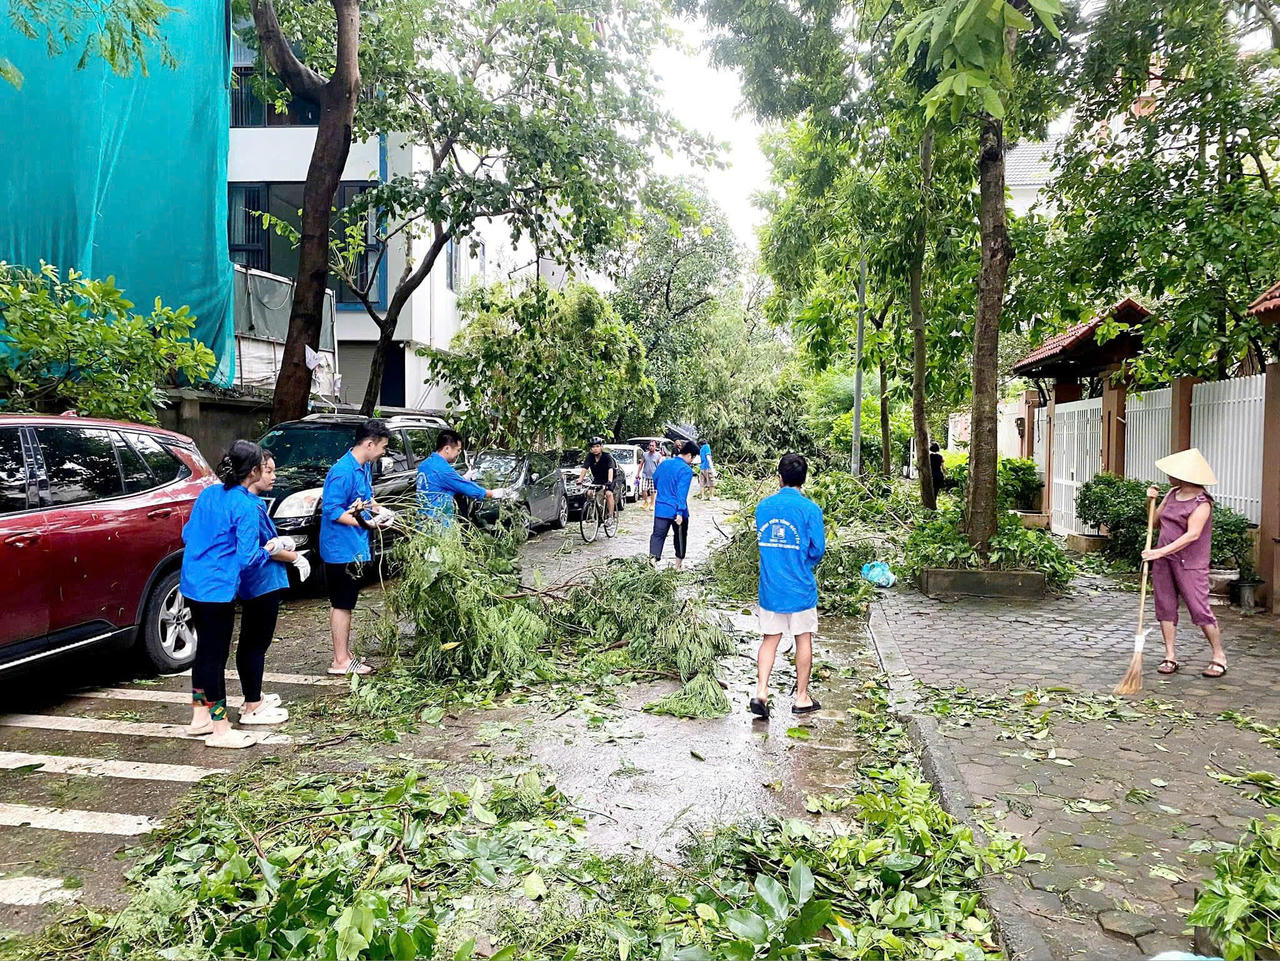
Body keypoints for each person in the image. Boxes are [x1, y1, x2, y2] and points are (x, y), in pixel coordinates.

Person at [180, 440, 281, 749]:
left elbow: (187, 533)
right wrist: (271, 549)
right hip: (217, 589)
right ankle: (220, 728)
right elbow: (248, 558)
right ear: (253, 471)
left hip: (192, 582)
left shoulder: (208, 493)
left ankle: (200, 716)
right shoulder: (246, 506)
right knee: (215, 658)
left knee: (204, 653)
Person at [236, 448, 310, 726]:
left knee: (252, 641)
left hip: (258, 581)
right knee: (256, 642)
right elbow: (262, 548)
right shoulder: (248, 507)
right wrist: (292, 555)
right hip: (262, 581)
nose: (273, 476)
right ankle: (252, 704)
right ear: (253, 471)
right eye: (268, 471)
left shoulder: (250, 502)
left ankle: (252, 695)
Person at [750, 452, 826, 721]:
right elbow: (818, 550)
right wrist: (803, 561)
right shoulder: (810, 510)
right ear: (803, 480)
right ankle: (801, 698)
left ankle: (761, 692)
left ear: (779, 478)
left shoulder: (763, 507)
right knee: (803, 638)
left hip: (770, 588)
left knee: (769, 639)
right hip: (800, 588)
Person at [1142, 448, 1227, 679]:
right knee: (1165, 606)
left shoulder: (1202, 502)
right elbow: (1154, 522)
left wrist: (1159, 552)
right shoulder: (1171, 494)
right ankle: (1170, 655)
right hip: (1164, 561)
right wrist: (1150, 501)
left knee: (1199, 608)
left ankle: (1218, 655)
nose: (1169, 475)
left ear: (1186, 475)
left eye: (1173, 472)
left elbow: (1192, 535)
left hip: (1190, 563)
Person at [320, 419, 395, 676]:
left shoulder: (363, 468)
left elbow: (365, 499)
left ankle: (344, 653)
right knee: (342, 603)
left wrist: (381, 511)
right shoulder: (342, 471)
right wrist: (367, 523)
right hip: (340, 549)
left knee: (347, 602)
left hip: (355, 546)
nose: (383, 452)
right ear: (370, 444)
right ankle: (340, 660)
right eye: (383, 447)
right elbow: (332, 510)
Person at [417, 429, 495, 523]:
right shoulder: (442, 469)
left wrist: (463, 478)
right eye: (458, 450)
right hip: (438, 522)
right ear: (447, 449)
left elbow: (440, 486)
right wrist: (493, 493)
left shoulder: (425, 464)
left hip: (423, 520)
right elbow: (469, 489)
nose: (458, 453)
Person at [649, 440, 696, 570]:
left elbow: (655, 479)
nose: (691, 461)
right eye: (692, 458)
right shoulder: (686, 470)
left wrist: (663, 490)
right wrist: (680, 512)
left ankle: (652, 560)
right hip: (677, 510)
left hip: (661, 507)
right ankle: (678, 566)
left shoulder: (665, 463)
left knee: (658, 535)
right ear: (689, 455)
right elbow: (682, 492)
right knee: (680, 537)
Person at [578, 437, 618, 521]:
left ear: (601, 447)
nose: (595, 449)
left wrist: (609, 481)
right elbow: (584, 469)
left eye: (597, 446)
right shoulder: (590, 457)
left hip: (609, 478)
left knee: (608, 494)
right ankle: (594, 511)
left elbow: (610, 469)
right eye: (593, 447)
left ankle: (610, 516)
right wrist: (579, 481)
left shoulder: (607, 456)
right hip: (598, 478)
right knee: (589, 493)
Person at [639, 440, 662, 511]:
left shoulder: (658, 455)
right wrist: (638, 473)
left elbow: (659, 466)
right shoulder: (645, 454)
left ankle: (652, 504)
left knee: (652, 491)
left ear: (655, 447)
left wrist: (659, 475)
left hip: (653, 476)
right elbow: (641, 464)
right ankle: (646, 501)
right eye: (650, 445)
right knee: (643, 489)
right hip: (645, 475)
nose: (651, 447)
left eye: (653, 446)